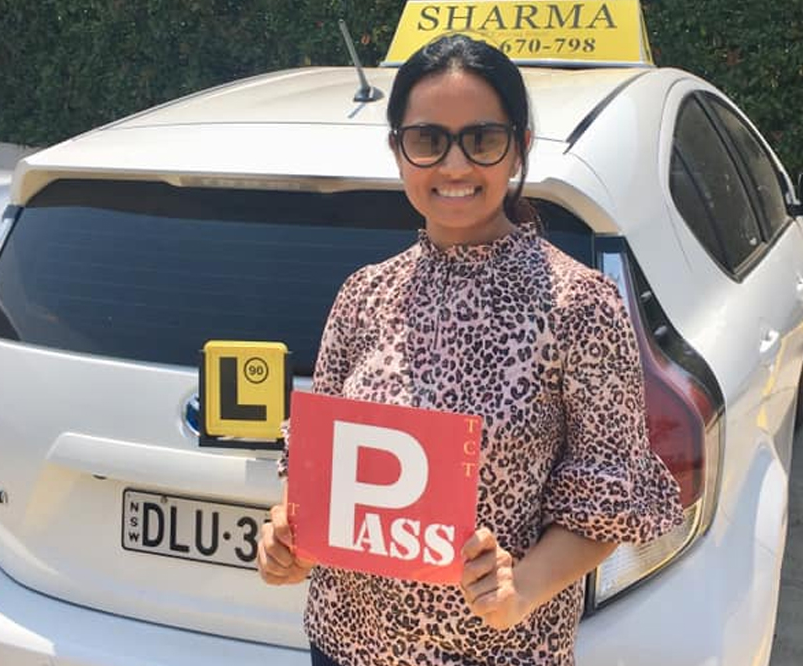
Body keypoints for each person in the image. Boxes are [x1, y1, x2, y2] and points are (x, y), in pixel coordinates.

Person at [257, 34, 683, 666]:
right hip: (345, 643)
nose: (454, 166)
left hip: (496, 652)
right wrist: (287, 542)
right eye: (428, 139)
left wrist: (522, 588)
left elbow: (607, 497)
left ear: (520, 146)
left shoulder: (578, 304)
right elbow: (320, 471)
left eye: (481, 140)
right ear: (398, 150)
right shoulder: (364, 294)